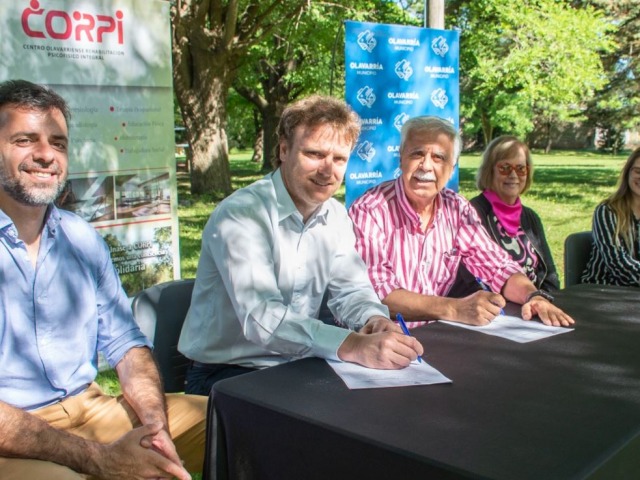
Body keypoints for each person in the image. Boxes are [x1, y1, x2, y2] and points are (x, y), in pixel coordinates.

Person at [0, 79, 206, 480]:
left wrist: (155, 428)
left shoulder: (80, 237)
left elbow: (126, 344)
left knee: (226, 419)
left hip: (91, 408)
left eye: (58, 143)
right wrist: (98, 458)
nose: (46, 154)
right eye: (25, 140)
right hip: (12, 433)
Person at [178, 95, 423, 396]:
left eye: (339, 159)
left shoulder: (334, 215)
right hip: (228, 374)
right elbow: (262, 318)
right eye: (315, 154)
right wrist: (352, 344)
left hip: (298, 364)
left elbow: (352, 290)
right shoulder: (241, 215)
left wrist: (373, 320)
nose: (328, 171)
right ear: (284, 150)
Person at [349, 116, 574, 328]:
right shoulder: (370, 209)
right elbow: (377, 293)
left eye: (438, 157)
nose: (426, 166)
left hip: (441, 337)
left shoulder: (457, 208)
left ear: (452, 168)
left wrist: (533, 295)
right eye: (417, 154)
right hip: (384, 340)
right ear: (401, 158)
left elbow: (497, 266)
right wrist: (454, 309)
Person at [453, 135, 559, 294]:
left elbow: (550, 274)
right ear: (490, 171)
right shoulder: (473, 213)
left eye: (521, 168)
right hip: (498, 309)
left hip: (535, 303)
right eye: (505, 168)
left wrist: (548, 300)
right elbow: (473, 282)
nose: (514, 175)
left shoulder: (530, 217)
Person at [582, 147, 640, 286]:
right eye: (638, 171)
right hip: (602, 289)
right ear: (628, 173)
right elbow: (618, 263)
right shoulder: (607, 211)